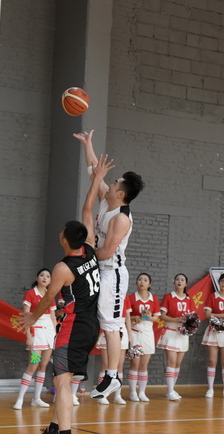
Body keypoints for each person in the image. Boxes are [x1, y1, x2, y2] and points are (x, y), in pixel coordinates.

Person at [24, 156, 110, 434]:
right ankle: (52, 431)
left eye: (62, 230)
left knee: (61, 383)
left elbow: (48, 298)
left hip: (73, 328)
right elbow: (88, 208)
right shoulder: (89, 248)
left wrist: (31, 318)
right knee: (62, 379)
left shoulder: (62, 268)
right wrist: (97, 179)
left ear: (64, 239)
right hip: (90, 326)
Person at [74, 130, 144, 400]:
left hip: (112, 273)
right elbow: (95, 173)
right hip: (99, 269)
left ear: (121, 193)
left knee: (112, 325)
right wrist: (88, 145)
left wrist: (88, 250)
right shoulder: (108, 199)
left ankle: (113, 376)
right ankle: (93, 368)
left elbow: (105, 252)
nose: (110, 184)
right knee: (98, 319)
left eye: (115, 183)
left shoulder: (121, 219)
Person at [13, 268, 56, 410]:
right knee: (33, 365)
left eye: (47, 276)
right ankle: (20, 399)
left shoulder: (50, 295)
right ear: (37, 278)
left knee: (43, 366)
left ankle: (36, 398)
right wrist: (28, 336)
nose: (44, 278)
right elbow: (26, 317)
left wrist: (55, 336)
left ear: (50, 280)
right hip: (36, 333)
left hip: (49, 333)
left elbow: (53, 317)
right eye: (42, 275)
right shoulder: (30, 293)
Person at [156, 273, 196, 401]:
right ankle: (170, 390)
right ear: (174, 282)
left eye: (182, 280)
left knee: (178, 363)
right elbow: (162, 316)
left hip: (182, 334)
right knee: (172, 362)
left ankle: (171, 389)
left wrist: (189, 325)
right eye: (177, 279)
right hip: (170, 331)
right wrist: (176, 320)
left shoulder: (189, 299)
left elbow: (193, 317)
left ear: (186, 284)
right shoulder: (169, 297)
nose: (179, 281)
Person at [126, 272, 161, 402]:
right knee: (134, 364)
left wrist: (148, 317)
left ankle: (142, 392)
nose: (142, 282)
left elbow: (157, 318)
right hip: (135, 332)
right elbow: (126, 317)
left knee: (143, 365)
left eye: (145, 280)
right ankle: (132, 392)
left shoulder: (154, 299)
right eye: (140, 279)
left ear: (149, 284)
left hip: (147, 333)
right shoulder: (131, 298)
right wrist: (134, 317)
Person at [94, 297, 133, 405]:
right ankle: (101, 394)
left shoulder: (125, 297)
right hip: (108, 328)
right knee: (106, 365)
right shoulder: (106, 295)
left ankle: (117, 395)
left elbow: (128, 317)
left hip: (122, 328)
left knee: (119, 366)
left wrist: (130, 335)